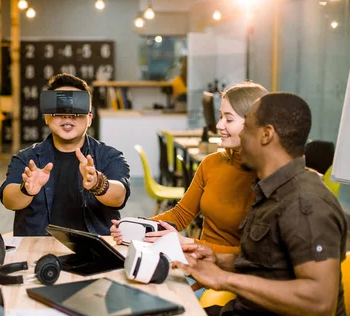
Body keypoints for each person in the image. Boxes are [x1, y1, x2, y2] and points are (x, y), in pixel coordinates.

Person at [174, 93, 347, 316]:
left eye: (247, 128)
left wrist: (224, 278)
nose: (239, 136)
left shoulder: (305, 203)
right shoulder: (271, 191)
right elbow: (268, 265)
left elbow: (320, 301)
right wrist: (217, 259)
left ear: (267, 135)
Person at [110, 82, 268, 296]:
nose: (219, 125)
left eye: (228, 119)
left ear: (253, 124)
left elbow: (252, 256)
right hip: (194, 263)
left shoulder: (265, 178)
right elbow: (181, 214)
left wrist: (187, 243)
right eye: (220, 116)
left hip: (230, 278)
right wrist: (137, 227)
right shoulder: (212, 164)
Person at [0, 73, 131, 236]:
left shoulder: (110, 157)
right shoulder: (26, 158)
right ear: (47, 117)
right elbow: (8, 199)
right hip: (39, 251)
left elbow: (119, 197)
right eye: (58, 110)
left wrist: (98, 183)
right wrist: (26, 190)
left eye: (77, 111)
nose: (68, 116)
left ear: (89, 118)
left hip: (95, 252)